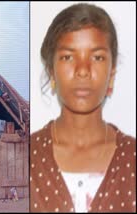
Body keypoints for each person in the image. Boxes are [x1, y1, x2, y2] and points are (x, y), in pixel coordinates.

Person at [30, 3, 136, 213]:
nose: (82, 71)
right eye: (68, 57)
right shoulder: (30, 157)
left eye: (97, 57)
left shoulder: (131, 158)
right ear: (52, 72)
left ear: (111, 74)